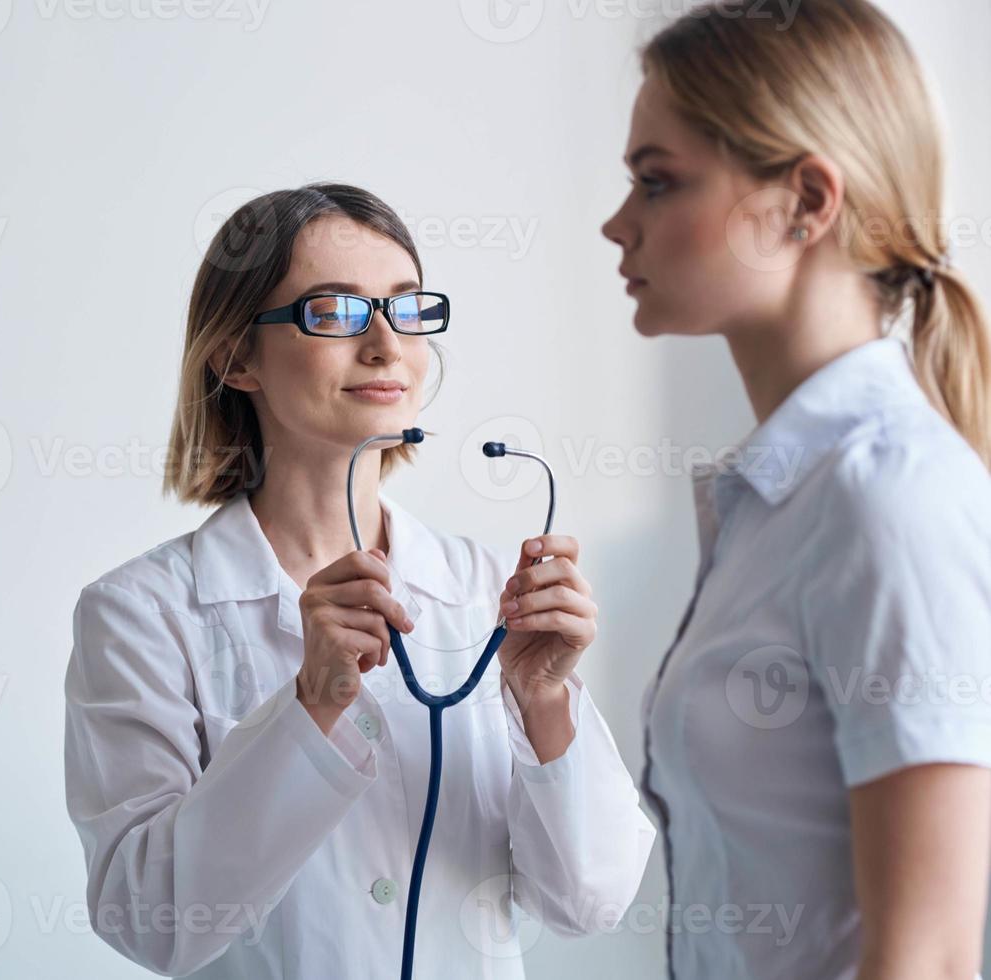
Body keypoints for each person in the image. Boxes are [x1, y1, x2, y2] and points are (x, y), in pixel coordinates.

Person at [64, 182, 655, 978]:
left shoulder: (488, 591)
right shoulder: (141, 614)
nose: (385, 344)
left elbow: (589, 901)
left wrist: (544, 698)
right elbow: (151, 921)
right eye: (335, 312)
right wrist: (310, 705)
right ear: (236, 357)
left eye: (406, 308)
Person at [600, 2, 991, 977]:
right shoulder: (774, 500)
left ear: (805, 200)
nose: (616, 225)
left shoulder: (881, 496)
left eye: (655, 182)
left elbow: (929, 958)